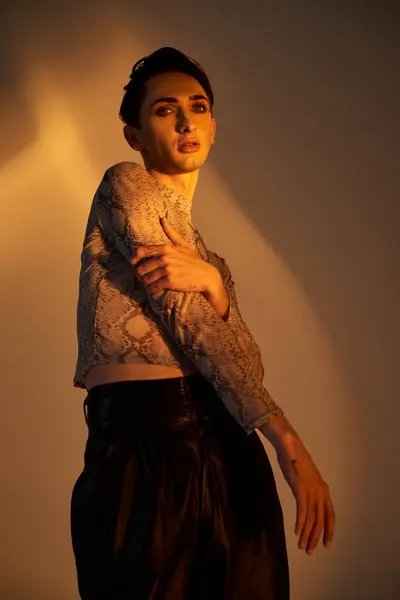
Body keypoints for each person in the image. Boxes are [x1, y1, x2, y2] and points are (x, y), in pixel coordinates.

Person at [70, 47, 335, 599]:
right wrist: (290, 443)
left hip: (231, 451)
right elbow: (182, 315)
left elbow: (245, 364)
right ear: (134, 134)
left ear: (213, 126)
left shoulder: (212, 263)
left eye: (198, 106)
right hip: (146, 447)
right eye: (166, 110)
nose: (187, 121)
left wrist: (214, 285)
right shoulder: (126, 185)